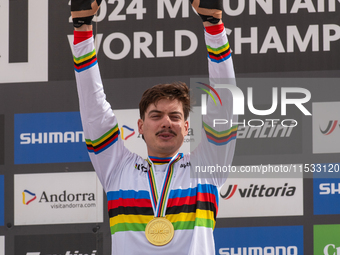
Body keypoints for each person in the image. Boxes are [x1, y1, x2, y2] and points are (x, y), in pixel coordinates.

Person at [71, 0, 237, 254]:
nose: (166, 122)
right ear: (140, 125)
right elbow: (94, 110)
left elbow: (223, 106)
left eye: (174, 116)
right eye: (156, 115)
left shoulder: (207, 168)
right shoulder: (116, 168)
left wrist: (213, 25)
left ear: (186, 126)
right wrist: (82, 29)